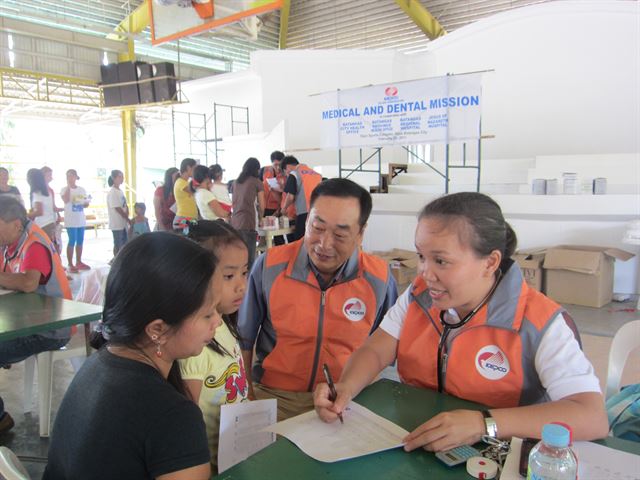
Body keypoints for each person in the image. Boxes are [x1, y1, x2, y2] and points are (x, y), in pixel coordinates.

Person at [314, 192, 608, 452]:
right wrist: (347, 387)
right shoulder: (419, 297)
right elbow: (376, 350)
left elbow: (591, 417)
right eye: (421, 256)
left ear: (490, 262)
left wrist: (484, 424)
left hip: (498, 451)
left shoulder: (539, 323)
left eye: (440, 261)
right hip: (422, 440)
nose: (425, 273)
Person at [44, 233, 222, 479]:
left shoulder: (97, 363)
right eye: (207, 314)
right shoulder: (172, 415)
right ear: (157, 329)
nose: (218, 322)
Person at [238, 178, 398, 421]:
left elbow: (387, 347)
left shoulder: (380, 279)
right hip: (277, 397)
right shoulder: (270, 266)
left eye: (340, 234)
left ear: (360, 233)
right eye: (317, 228)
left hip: (346, 400)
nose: (324, 244)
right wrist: (247, 396)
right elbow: (245, 338)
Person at [181, 220, 249, 474]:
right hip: (210, 465)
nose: (241, 284)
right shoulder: (194, 342)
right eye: (229, 276)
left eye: (244, 272)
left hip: (235, 454)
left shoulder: (223, 323)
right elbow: (186, 422)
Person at [0, 196, 72, 435]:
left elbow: (29, 283)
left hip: (51, 329)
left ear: (15, 225)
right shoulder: (10, 243)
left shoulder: (34, 243)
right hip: (27, 321)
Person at [230, 157, 265, 269]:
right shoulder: (256, 182)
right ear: (256, 170)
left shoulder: (235, 183)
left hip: (234, 223)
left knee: (237, 257)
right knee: (249, 259)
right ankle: (248, 285)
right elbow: (262, 205)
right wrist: (261, 218)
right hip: (248, 222)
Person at [280, 156, 322, 241]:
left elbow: (290, 196)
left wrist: (284, 208)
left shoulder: (294, 174)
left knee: (300, 242)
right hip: (318, 213)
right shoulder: (317, 175)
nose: (287, 175)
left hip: (303, 214)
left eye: (285, 172)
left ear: (287, 167)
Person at [60, 169, 90, 273]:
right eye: (68, 176)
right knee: (72, 240)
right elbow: (65, 200)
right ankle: (70, 263)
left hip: (80, 219)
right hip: (71, 220)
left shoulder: (81, 189)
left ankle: (79, 261)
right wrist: (69, 186)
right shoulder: (64, 189)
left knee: (80, 241)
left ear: (76, 177)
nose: (70, 178)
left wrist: (85, 203)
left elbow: (86, 203)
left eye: (72, 176)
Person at [26, 168, 57, 245]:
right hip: (50, 223)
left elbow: (39, 212)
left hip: (43, 225)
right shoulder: (47, 192)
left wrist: (25, 216)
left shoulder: (37, 193)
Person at [106, 169, 129, 257]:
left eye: (122, 176)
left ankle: (122, 259)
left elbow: (124, 205)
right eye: (120, 177)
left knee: (124, 243)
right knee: (118, 243)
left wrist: (127, 213)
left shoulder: (120, 191)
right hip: (116, 222)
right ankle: (116, 259)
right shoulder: (112, 192)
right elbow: (117, 208)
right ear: (114, 178)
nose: (122, 178)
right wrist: (127, 218)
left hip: (122, 222)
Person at [173, 157, 198, 231]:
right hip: (183, 218)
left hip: (190, 218)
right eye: (194, 168)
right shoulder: (180, 182)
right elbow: (193, 190)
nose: (195, 171)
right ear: (188, 167)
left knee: (193, 238)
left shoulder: (186, 182)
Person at [153, 167, 178, 231]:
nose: (178, 179)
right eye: (176, 176)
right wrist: (161, 226)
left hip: (175, 225)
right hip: (162, 224)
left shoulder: (179, 190)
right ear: (169, 178)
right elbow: (157, 210)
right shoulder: (160, 190)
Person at [263, 151, 285, 217]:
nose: (278, 167)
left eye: (280, 164)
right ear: (271, 163)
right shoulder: (264, 171)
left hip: (276, 209)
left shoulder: (286, 175)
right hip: (264, 208)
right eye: (275, 165)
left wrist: (278, 211)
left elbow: (285, 197)